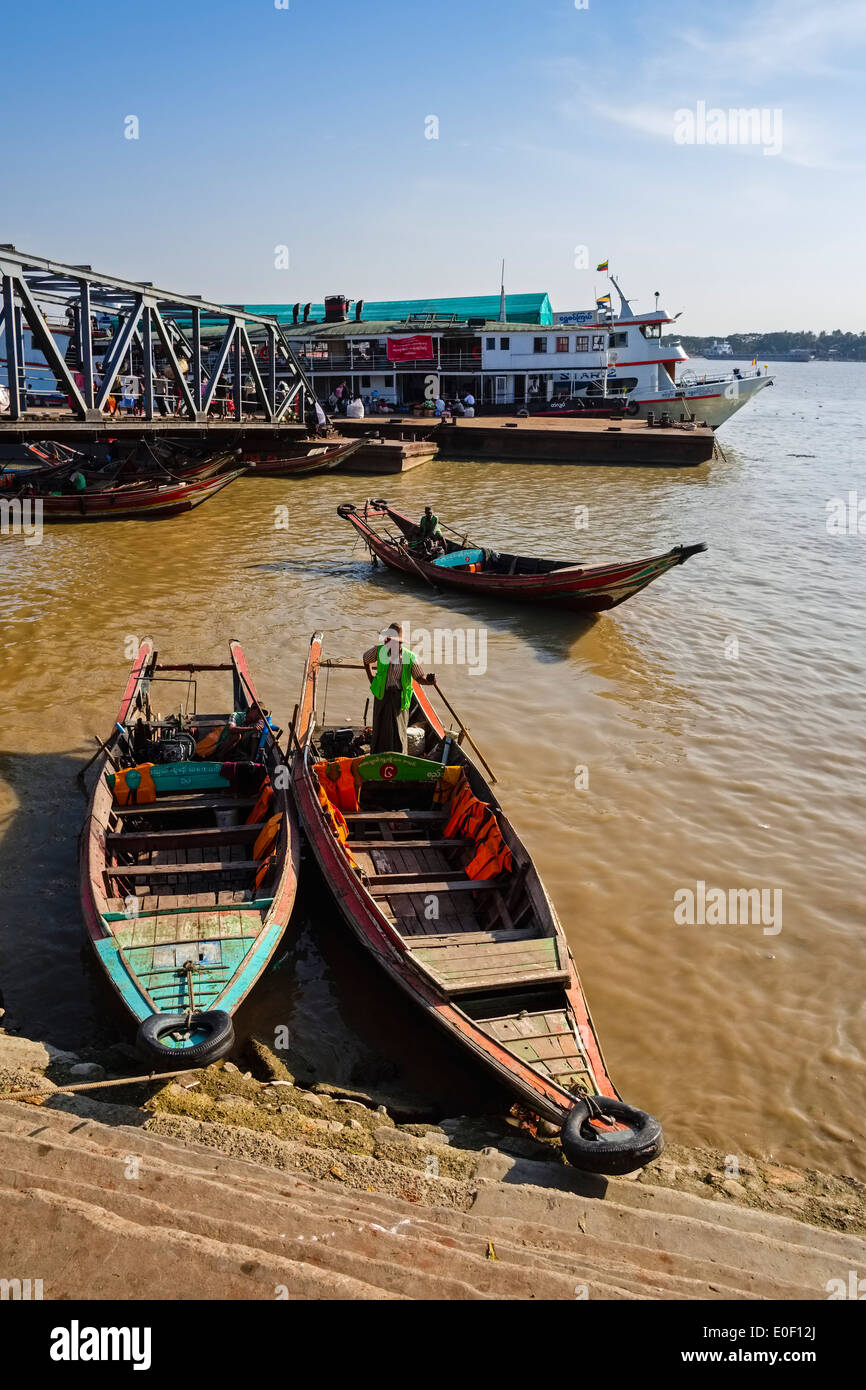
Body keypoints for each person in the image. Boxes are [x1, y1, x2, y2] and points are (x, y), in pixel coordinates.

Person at [362, 624, 435, 754]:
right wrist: (371, 677)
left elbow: (419, 677)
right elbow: (366, 659)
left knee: (398, 729)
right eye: (386, 639)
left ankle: (399, 755)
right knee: (380, 726)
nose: (387, 643)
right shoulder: (380, 651)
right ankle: (378, 753)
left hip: (399, 697)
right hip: (382, 694)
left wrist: (430, 681)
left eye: (390, 640)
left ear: (399, 643)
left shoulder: (409, 657)